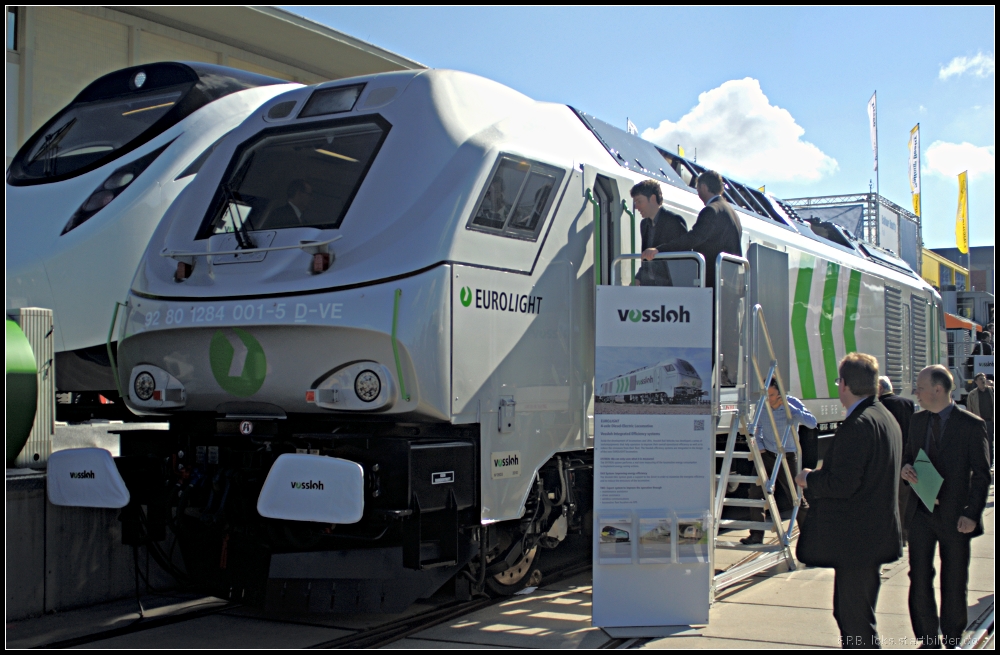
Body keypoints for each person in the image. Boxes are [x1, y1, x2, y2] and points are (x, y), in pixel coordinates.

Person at [794, 352, 902, 649]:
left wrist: (808, 478)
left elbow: (843, 484)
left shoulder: (858, 425)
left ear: (844, 385)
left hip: (858, 542)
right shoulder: (884, 417)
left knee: (854, 620)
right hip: (873, 537)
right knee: (855, 616)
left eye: (839, 380)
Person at [902, 365, 991, 648]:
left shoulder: (971, 425)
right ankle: (927, 638)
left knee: (954, 578)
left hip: (956, 517)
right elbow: (908, 456)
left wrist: (972, 514)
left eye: (920, 387)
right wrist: (906, 470)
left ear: (938, 390)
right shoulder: (916, 422)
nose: (916, 392)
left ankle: (952, 638)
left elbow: (982, 473)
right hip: (922, 512)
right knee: (919, 575)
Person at [741, 377, 817, 545]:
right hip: (767, 454)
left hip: (787, 456)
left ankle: (810, 539)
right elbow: (756, 428)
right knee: (755, 493)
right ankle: (756, 535)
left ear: (780, 393)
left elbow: (812, 423)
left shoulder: (792, 403)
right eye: (767, 395)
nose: (770, 398)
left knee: (796, 497)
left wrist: (789, 409)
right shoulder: (762, 405)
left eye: (773, 394)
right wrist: (759, 448)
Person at [640, 169, 742, 291]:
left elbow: (693, 239)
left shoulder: (711, 210)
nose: (697, 191)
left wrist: (659, 250)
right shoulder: (732, 212)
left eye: (697, 188)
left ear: (703, 187)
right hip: (729, 282)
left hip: (713, 281)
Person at [630, 180, 688, 287]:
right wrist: (638, 278)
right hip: (650, 288)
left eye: (639, 201)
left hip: (671, 288)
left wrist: (658, 250)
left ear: (652, 198)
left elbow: (683, 252)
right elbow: (647, 259)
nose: (636, 207)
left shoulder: (674, 221)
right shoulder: (644, 224)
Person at [878, 376, 917, 535]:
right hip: (906, 455)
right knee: (905, 496)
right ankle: (905, 532)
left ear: (880, 388)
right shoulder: (907, 403)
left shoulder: (879, 405)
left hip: (887, 457)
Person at [966, 372, 994, 464]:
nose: (983, 380)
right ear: (976, 381)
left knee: (990, 442)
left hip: (990, 421)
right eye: (981, 379)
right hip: (979, 422)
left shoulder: (992, 391)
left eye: (984, 378)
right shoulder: (972, 394)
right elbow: (969, 410)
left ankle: (990, 463)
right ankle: (982, 462)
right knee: (980, 443)